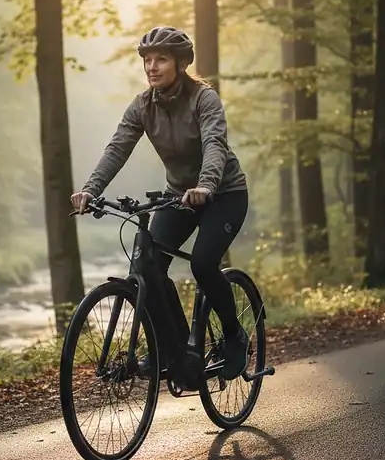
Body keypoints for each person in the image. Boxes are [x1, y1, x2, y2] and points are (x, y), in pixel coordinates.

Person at [70, 26, 251, 382]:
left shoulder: (204, 99)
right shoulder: (142, 105)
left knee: (202, 263)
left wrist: (206, 185)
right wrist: (90, 190)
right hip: (178, 197)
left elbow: (215, 143)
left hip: (224, 194)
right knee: (149, 269)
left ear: (182, 63)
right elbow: (117, 148)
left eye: (161, 59)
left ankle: (234, 335)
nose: (152, 66)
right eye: (147, 60)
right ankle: (177, 352)